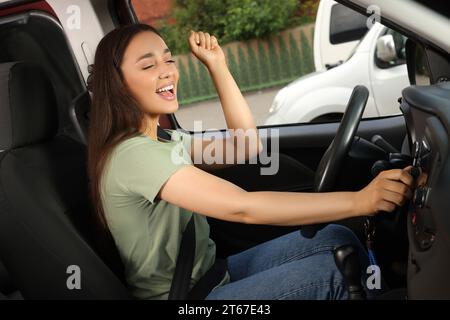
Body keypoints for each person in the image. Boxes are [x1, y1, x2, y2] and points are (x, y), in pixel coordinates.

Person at [87, 23, 414, 300]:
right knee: (336, 275)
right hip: (185, 296)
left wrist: (217, 65)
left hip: (211, 274)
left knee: (337, 238)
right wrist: (361, 200)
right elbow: (241, 207)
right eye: (148, 66)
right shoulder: (133, 155)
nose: (167, 71)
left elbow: (245, 145)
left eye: (168, 59)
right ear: (117, 84)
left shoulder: (165, 140)